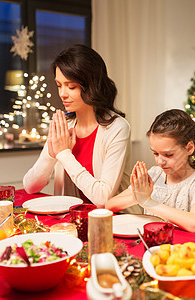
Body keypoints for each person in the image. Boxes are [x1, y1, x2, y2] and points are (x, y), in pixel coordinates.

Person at [23, 44, 136, 210]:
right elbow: (30, 186)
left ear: (92, 85)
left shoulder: (117, 128)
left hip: (114, 224)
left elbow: (102, 198)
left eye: (71, 86)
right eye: (59, 85)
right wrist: (52, 153)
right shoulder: (64, 124)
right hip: (70, 222)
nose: (62, 93)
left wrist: (64, 153)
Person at [105, 109, 195, 233]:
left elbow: (194, 224)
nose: (160, 161)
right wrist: (137, 197)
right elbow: (109, 205)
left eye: (168, 155)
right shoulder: (154, 174)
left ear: (189, 148)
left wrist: (147, 201)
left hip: (181, 249)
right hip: (151, 244)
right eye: (156, 153)